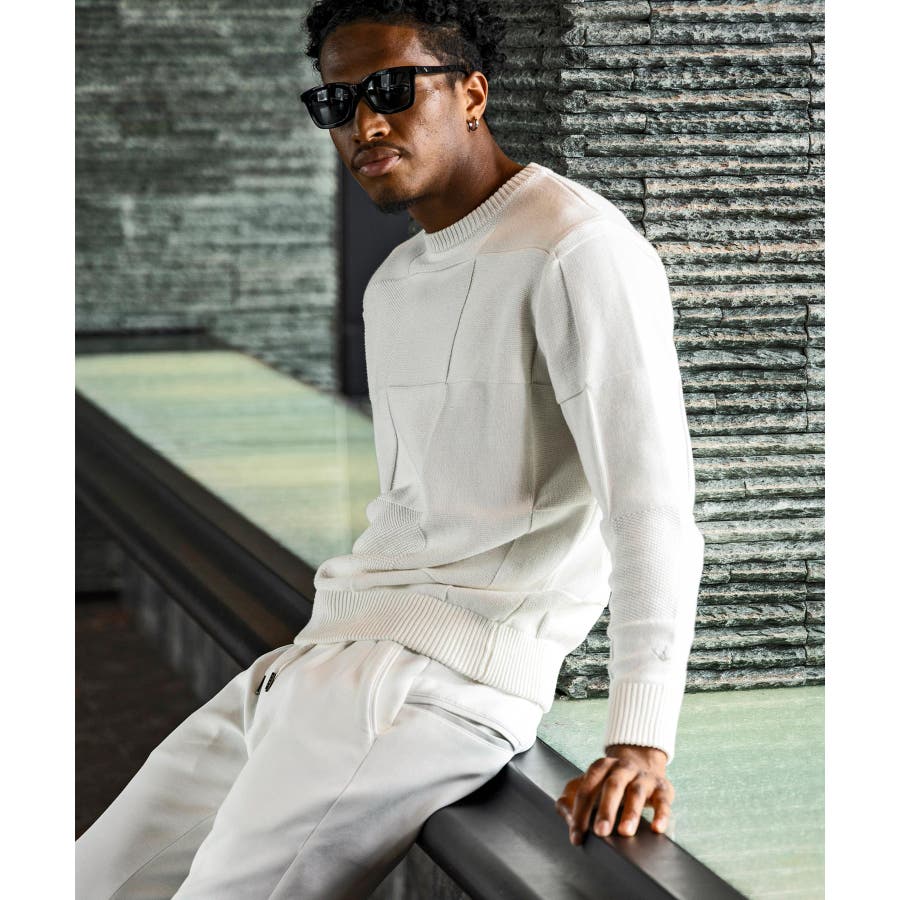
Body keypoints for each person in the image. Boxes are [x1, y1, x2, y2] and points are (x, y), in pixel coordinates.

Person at [75, 1, 705, 897]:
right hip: (320, 658)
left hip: (437, 689)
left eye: (393, 89)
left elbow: (650, 509)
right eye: (339, 102)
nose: (365, 123)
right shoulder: (397, 281)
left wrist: (639, 738)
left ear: (473, 94)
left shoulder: (578, 251)